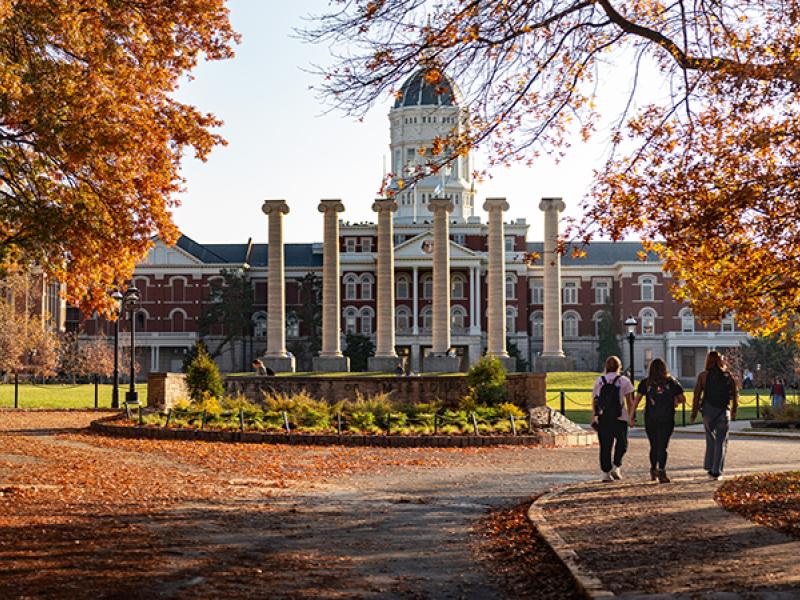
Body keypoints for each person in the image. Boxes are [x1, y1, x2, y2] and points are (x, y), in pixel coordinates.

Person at [630, 358, 686, 483]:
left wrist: (631, 416)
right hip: (667, 418)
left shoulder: (646, 383)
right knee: (663, 446)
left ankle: (653, 468)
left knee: (654, 445)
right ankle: (661, 470)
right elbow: (682, 399)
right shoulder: (671, 382)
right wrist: (674, 400)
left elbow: (636, 401)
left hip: (651, 418)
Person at [691, 351, 738, 480]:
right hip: (724, 410)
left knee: (710, 438)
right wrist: (734, 410)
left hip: (708, 410)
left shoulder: (703, 376)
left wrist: (694, 413)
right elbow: (735, 394)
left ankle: (709, 465)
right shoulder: (728, 376)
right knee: (721, 440)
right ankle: (716, 471)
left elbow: (697, 395)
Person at [592, 356, 635, 482]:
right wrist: (631, 417)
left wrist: (594, 416)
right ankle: (616, 465)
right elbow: (630, 402)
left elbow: (595, 400)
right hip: (620, 417)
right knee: (622, 444)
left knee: (605, 446)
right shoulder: (624, 381)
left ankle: (605, 472)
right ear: (619, 366)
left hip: (603, 417)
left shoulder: (599, 381)